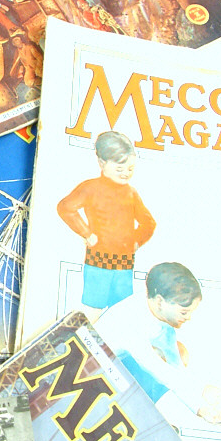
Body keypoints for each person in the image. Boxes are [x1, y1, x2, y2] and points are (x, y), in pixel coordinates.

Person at [96, 262, 221, 424]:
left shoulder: (157, 313)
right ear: (160, 301)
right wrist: (200, 408)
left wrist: (204, 390)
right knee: (154, 372)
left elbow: (175, 363)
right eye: (184, 312)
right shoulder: (131, 319)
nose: (188, 318)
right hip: (89, 370)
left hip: (112, 366)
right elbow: (157, 369)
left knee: (180, 353)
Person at [57, 130, 155, 309]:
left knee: (121, 309)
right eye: (119, 169)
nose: (125, 173)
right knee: (94, 307)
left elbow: (149, 223)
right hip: (97, 262)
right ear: (102, 163)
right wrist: (86, 233)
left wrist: (137, 241)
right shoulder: (90, 188)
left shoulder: (131, 193)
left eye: (130, 169)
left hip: (124, 265)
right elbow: (65, 207)